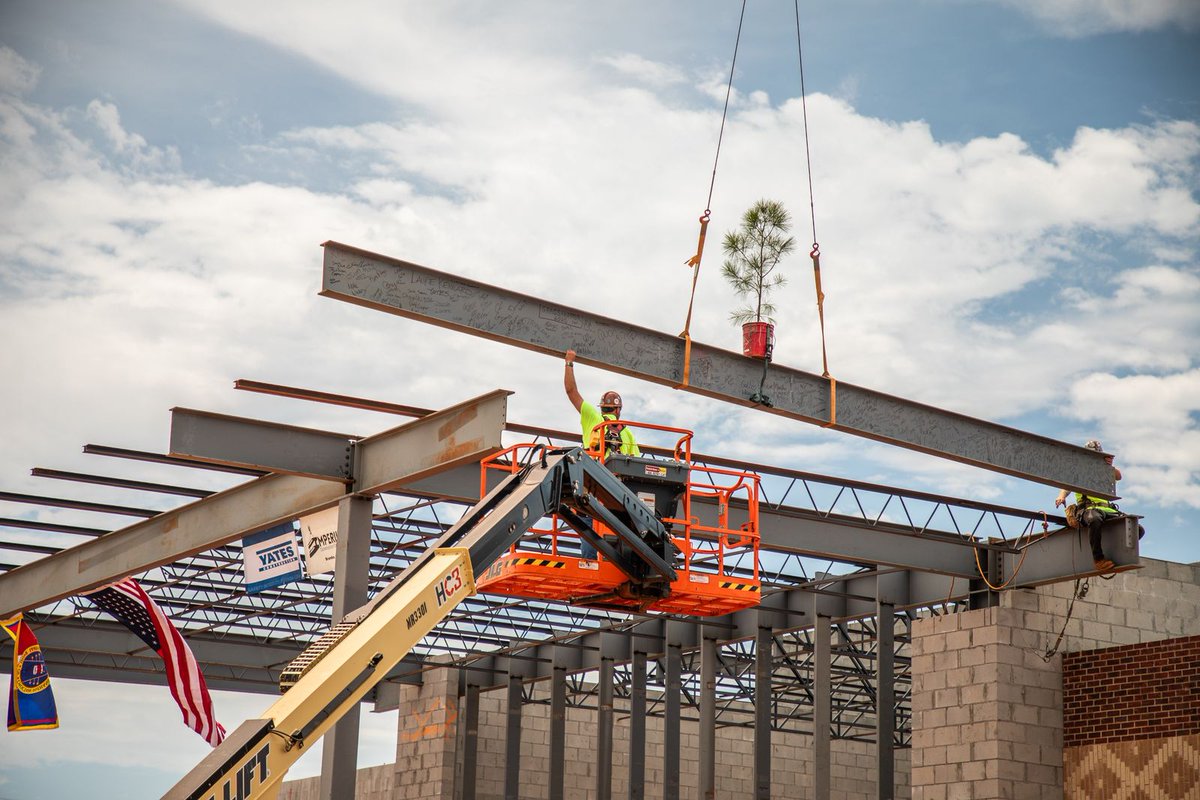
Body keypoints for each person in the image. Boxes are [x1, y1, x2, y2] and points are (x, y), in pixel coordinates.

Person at [1055, 440, 1122, 572]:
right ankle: (1098, 559)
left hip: (1107, 509)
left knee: (1137, 528)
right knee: (1094, 518)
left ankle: (1117, 554)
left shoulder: (1103, 471)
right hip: (1088, 510)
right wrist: (1061, 496)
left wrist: (1108, 466)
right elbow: (1067, 486)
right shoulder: (1079, 472)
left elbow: (1118, 476)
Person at [563, 349, 641, 457]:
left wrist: (569, 362)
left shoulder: (593, 418)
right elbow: (637, 463)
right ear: (618, 409)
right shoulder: (628, 433)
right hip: (615, 474)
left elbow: (571, 391)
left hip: (593, 472)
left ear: (602, 408)